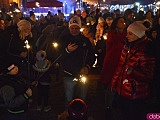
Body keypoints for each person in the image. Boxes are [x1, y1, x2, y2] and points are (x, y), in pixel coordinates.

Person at [110, 21, 155, 120]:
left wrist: (133, 72)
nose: (127, 36)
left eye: (130, 33)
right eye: (127, 33)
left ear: (138, 34)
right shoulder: (127, 46)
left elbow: (149, 75)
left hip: (136, 94)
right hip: (122, 91)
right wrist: (114, 82)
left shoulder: (146, 49)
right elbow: (120, 66)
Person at [58, 16, 95, 110]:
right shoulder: (63, 39)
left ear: (80, 28)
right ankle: (69, 114)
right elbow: (58, 57)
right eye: (72, 28)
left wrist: (87, 67)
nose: (74, 30)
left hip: (82, 74)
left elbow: (91, 56)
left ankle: (80, 114)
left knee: (82, 98)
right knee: (69, 98)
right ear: (69, 27)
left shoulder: (85, 40)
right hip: (68, 74)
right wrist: (67, 50)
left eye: (76, 28)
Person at [100, 16, 127, 119]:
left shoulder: (125, 34)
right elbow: (113, 46)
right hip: (112, 61)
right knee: (111, 84)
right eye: (121, 21)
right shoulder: (112, 34)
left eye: (124, 21)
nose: (123, 23)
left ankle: (116, 103)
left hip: (122, 62)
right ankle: (108, 106)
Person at [0, 56, 32, 120]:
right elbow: (10, 103)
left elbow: (20, 87)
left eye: (15, 66)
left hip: (22, 110)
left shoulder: (15, 77)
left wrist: (31, 84)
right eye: (12, 68)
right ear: (7, 72)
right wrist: (26, 95)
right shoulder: (6, 85)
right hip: (16, 114)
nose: (16, 68)